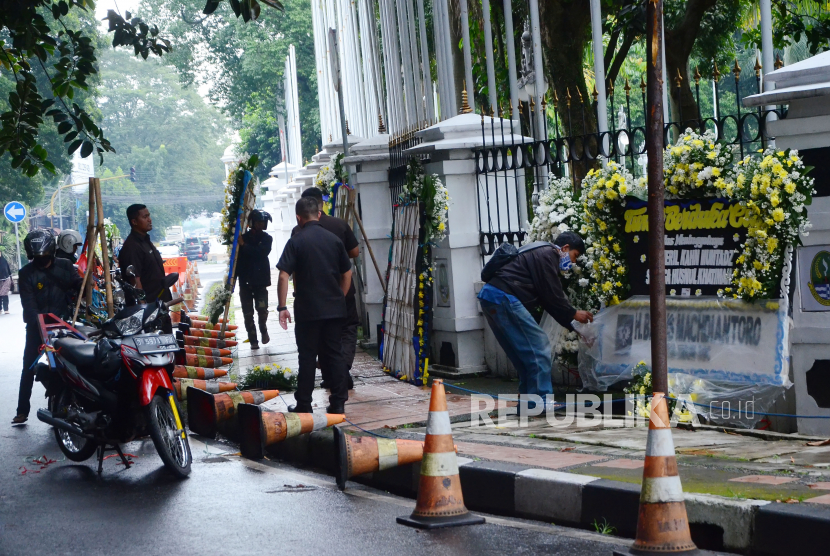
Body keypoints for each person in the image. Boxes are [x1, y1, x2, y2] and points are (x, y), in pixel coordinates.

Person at [477, 231, 594, 415]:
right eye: (574, 256)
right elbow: (553, 296)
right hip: (504, 296)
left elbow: (548, 300)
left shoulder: (538, 251)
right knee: (539, 346)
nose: (573, 262)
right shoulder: (548, 254)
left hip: (491, 297)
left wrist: (573, 325)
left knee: (524, 356)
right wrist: (573, 314)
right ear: (564, 248)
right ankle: (542, 401)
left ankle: (528, 405)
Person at [277, 197, 352, 415]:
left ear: (298, 218)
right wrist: (340, 296)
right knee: (334, 354)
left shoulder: (296, 241)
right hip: (334, 309)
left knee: (307, 356)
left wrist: (282, 307)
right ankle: (338, 402)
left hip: (308, 310)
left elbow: (283, 275)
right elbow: (347, 273)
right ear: (319, 214)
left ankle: (304, 404)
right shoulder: (334, 240)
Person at [292, 187, 360, 389]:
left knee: (321, 335)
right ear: (321, 204)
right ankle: (342, 368)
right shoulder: (339, 225)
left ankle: (330, 375)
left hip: (313, 295)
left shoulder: (299, 231)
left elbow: (292, 267)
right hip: (341, 288)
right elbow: (354, 252)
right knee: (347, 329)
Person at [14, 229, 83, 424]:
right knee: (29, 366)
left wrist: (85, 284)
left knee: (72, 364)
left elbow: (77, 285)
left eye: (44, 256)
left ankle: (72, 402)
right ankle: (22, 410)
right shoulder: (26, 273)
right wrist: (41, 325)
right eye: (37, 257)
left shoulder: (66, 265)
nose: (41, 260)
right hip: (37, 327)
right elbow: (29, 306)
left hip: (64, 325)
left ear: (52, 251)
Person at [118, 204, 172, 304]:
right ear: (134, 222)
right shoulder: (132, 247)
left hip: (159, 305)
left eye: (149, 216)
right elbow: (135, 281)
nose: (149, 220)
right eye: (145, 217)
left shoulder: (146, 241)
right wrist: (143, 308)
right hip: (148, 308)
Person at [237, 210, 273, 349]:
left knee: (262, 309)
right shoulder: (243, 238)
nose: (261, 225)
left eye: (263, 223)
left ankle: (263, 330)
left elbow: (260, 253)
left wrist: (244, 246)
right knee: (247, 313)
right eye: (258, 222)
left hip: (260, 281)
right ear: (252, 223)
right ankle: (253, 340)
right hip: (245, 281)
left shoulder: (266, 238)